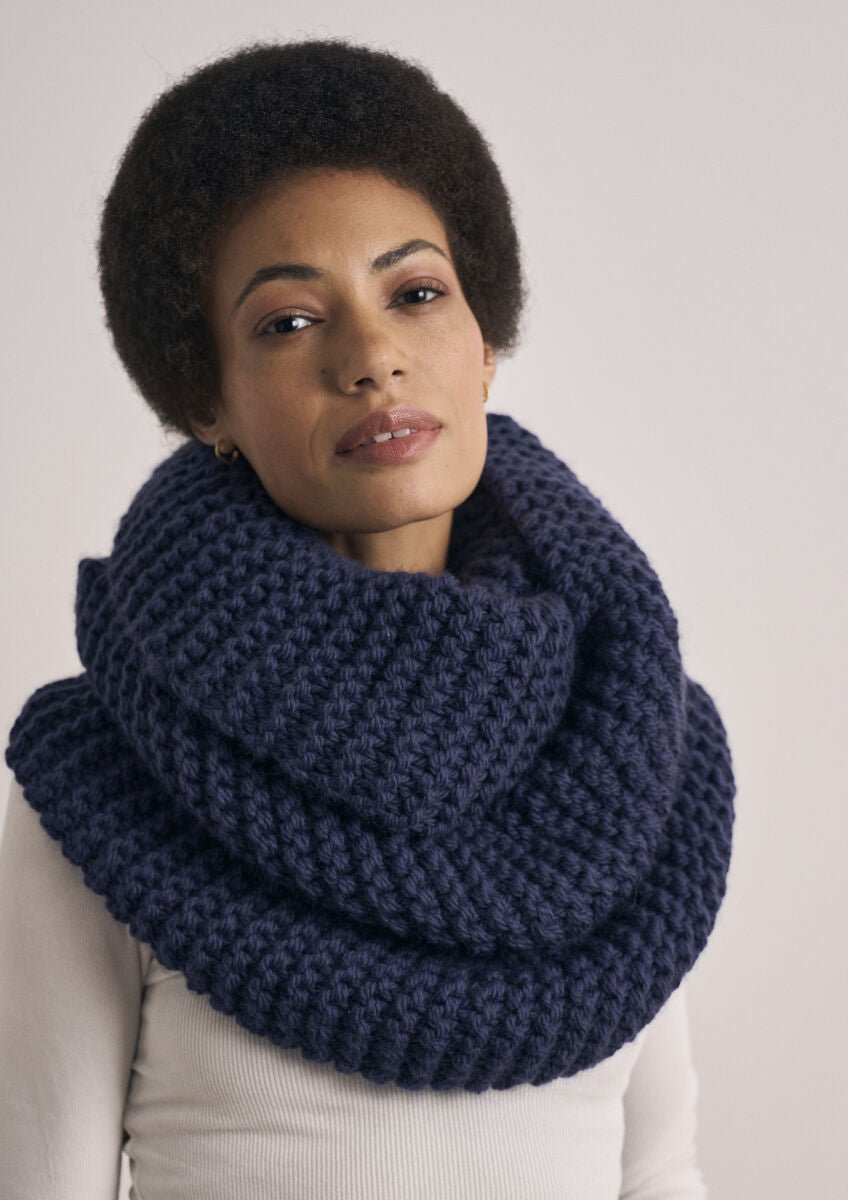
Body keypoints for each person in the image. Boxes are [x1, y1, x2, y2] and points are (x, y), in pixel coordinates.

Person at [0, 37, 736, 1200]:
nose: (372, 357)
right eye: (289, 321)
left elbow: (657, 1173)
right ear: (206, 399)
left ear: (482, 345)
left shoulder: (635, 737)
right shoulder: (102, 777)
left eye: (416, 294)